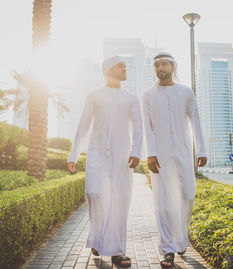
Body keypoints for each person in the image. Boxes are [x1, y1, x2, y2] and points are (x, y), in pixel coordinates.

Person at [67, 55, 143, 267]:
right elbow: (83, 126)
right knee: (94, 194)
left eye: (125, 66)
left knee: (120, 200)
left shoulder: (131, 98)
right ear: (108, 70)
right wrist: (74, 155)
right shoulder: (94, 95)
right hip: (96, 154)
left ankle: (117, 251)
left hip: (122, 157)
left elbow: (138, 127)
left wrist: (136, 151)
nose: (125, 69)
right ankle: (98, 238)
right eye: (121, 66)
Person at [142, 52, 207, 267]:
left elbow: (195, 121)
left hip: (183, 153)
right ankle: (167, 249)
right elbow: (147, 127)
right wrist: (150, 153)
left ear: (173, 66)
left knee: (188, 195)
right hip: (159, 156)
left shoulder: (186, 92)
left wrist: (201, 150)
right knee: (163, 203)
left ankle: (180, 239)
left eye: (164, 64)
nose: (160, 67)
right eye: (157, 64)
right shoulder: (148, 95)